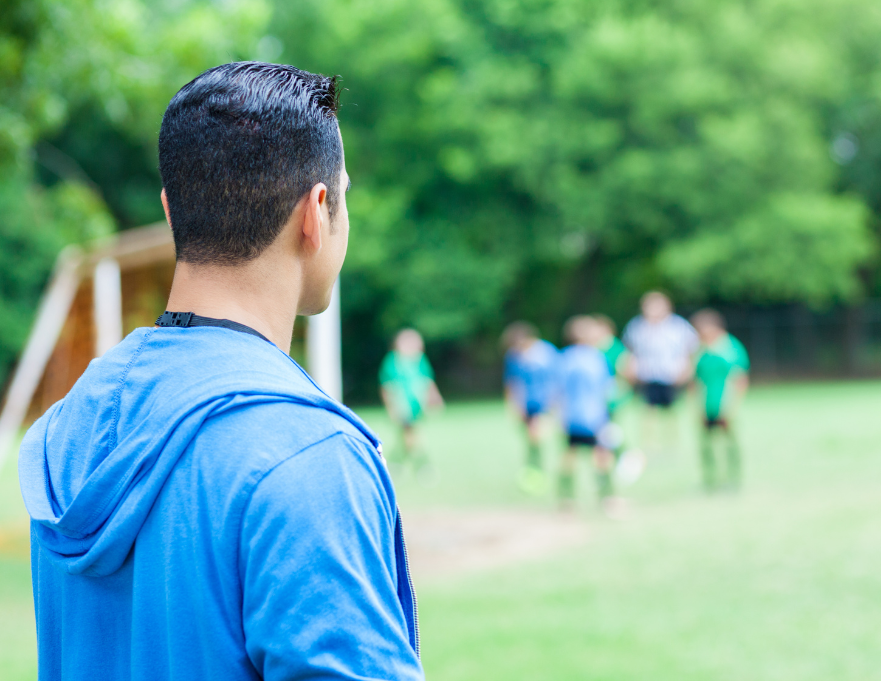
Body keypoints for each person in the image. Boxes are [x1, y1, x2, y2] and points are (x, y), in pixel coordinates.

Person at [18, 63, 422, 681]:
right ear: (317, 211)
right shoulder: (308, 456)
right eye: (345, 193)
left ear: (170, 210)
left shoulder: (65, 429)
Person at [555, 316, 622, 516]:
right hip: (595, 417)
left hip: (571, 417)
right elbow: (607, 388)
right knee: (602, 457)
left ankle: (566, 501)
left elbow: (558, 391)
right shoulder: (596, 357)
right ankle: (608, 499)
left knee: (569, 458)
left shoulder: (564, 358)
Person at [622, 291, 700, 452]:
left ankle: (671, 443)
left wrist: (687, 370)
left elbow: (691, 349)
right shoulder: (637, 326)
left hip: (671, 374)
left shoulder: (678, 326)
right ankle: (649, 444)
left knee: (670, 411)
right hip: (647, 374)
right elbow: (630, 350)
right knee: (648, 410)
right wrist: (631, 368)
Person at [691, 309, 749, 491]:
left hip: (725, 404)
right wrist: (696, 407)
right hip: (706, 405)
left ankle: (734, 480)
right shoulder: (700, 350)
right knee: (706, 446)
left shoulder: (730, 347)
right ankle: (710, 481)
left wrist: (732, 407)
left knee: (730, 444)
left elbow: (739, 379)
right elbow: (695, 380)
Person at [502, 321, 560, 495]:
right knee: (531, 440)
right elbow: (512, 383)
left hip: (544, 404)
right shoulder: (513, 356)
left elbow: (556, 379)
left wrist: (554, 405)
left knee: (536, 436)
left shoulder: (547, 353)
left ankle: (537, 471)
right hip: (526, 405)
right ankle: (533, 470)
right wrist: (513, 405)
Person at [379, 328, 444, 471]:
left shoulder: (420, 360)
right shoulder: (392, 361)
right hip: (402, 406)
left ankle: (395, 464)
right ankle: (422, 465)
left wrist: (435, 399)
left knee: (408, 437)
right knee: (412, 436)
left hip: (417, 406)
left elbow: (427, 382)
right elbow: (387, 386)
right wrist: (391, 407)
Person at [592, 314, 645, 487]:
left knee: (609, 433)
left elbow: (628, 371)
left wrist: (616, 388)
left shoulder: (615, 348)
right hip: (599, 401)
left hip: (614, 400)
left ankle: (627, 457)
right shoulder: (594, 349)